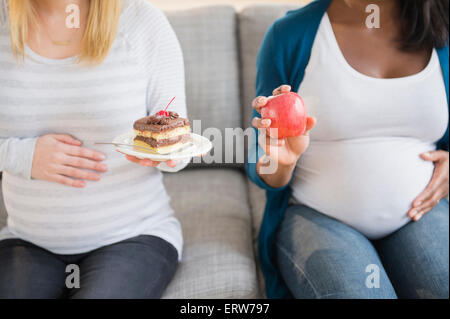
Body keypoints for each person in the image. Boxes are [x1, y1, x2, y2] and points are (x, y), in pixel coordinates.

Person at [248, 0, 449, 299]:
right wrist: (281, 162)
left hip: (421, 213)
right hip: (315, 216)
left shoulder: (441, 29)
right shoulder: (289, 35)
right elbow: (259, 158)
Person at [0, 0, 187, 298]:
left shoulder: (141, 21)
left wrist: (166, 154)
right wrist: (23, 156)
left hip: (132, 238)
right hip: (27, 240)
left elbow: (177, 137)